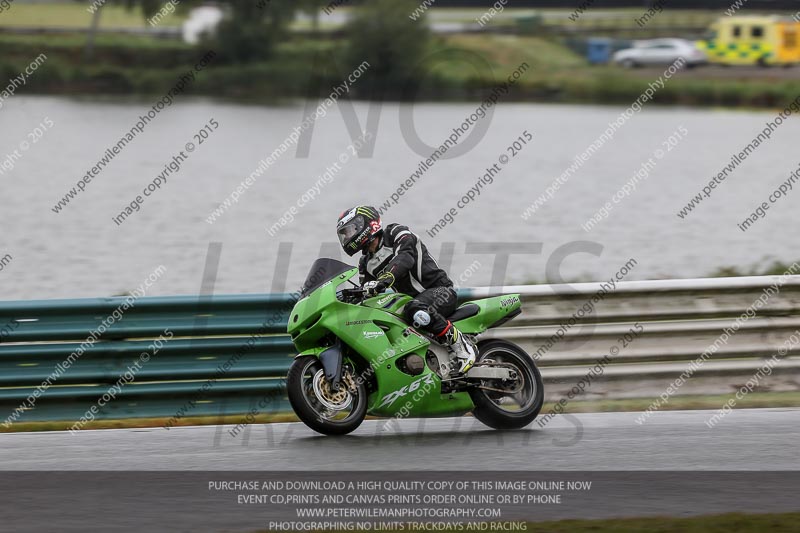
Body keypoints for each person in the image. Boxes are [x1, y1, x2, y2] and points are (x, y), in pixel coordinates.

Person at [336, 205, 476, 374]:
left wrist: (384, 279)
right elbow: (364, 294)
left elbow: (405, 257)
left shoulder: (396, 233)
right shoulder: (365, 263)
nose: (348, 237)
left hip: (441, 291)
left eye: (349, 231)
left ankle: (461, 345)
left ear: (365, 224)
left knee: (414, 308)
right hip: (411, 304)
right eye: (345, 234)